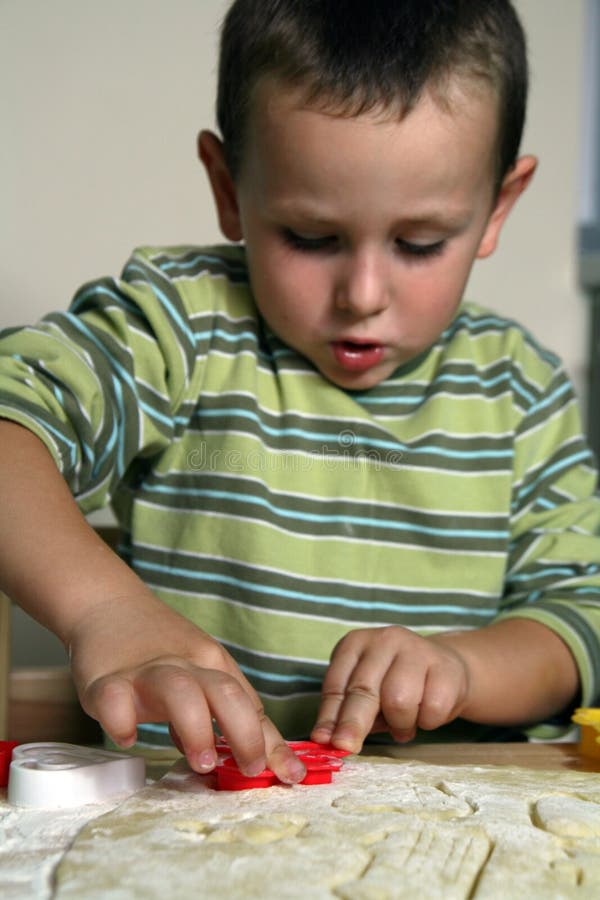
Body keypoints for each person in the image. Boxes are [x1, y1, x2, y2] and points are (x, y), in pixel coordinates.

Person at [1, 0, 599, 785]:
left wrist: (466, 667)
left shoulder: (518, 387)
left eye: (420, 244)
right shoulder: (181, 325)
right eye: (311, 238)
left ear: (498, 208)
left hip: (457, 812)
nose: (363, 292)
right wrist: (105, 613)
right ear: (227, 186)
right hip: (190, 822)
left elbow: (582, 610)